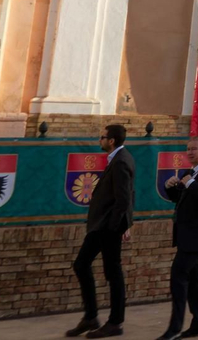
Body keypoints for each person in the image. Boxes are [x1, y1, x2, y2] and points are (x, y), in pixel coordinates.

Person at [67, 124, 136, 338]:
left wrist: (116, 226)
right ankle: (91, 317)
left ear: (111, 140)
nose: (100, 140)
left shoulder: (121, 161)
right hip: (105, 225)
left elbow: (124, 198)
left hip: (107, 227)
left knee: (110, 272)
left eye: (103, 137)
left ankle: (114, 322)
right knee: (87, 265)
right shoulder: (119, 158)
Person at [156, 136, 198, 340]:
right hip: (185, 234)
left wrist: (191, 183)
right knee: (194, 280)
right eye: (188, 149)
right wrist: (170, 187)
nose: (190, 152)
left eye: (194, 149)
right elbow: (179, 199)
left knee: (178, 276)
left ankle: (174, 328)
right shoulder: (188, 173)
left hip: (197, 235)